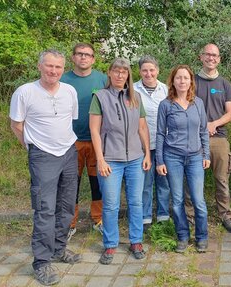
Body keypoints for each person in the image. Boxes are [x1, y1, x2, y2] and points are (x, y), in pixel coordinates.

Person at [10, 49, 81, 286]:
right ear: (40, 66)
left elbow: (67, 121)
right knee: (45, 209)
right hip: (43, 156)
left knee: (67, 206)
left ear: (63, 69)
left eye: (58, 67)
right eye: (49, 66)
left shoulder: (69, 91)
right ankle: (41, 262)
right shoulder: (25, 92)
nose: (54, 71)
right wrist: (34, 148)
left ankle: (59, 249)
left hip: (69, 153)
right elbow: (17, 125)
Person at [89, 58, 151, 265]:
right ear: (109, 73)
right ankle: (110, 244)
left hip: (135, 159)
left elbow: (142, 128)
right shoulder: (100, 97)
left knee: (136, 202)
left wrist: (147, 155)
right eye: (116, 71)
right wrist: (100, 159)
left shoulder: (135, 97)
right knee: (111, 205)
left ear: (128, 75)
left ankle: (136, 241)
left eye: (124, 72)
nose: (120, 75)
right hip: (110, 161)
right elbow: (95, 131)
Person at [156, 65, 210, 253]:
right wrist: (160, 161)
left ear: (191, 81)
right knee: (177, 199)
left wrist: (206, 154)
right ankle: (182, 236)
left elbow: (203, 130)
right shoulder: (165, 105)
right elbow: (160, 134)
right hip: (173, 157)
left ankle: (202, 236)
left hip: (195, 157)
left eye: (185, 78)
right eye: (178, 78)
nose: (182, 81)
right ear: (173, 81)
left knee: (198, 200)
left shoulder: (198, 103)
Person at [61, 43, 107, 241]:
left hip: (97, 141)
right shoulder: (62, 79)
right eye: (80, 54)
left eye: (87, 55)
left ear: (93, 59)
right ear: (73, 57)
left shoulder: (102, 79)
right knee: (71, 183)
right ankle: (69, 223)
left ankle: (98, 219)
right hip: (70, 141)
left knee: (98, 182)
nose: (83, 58)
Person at [195, 43, 231, 233]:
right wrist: (203, 126)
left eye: (215, 55)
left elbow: (230, 113)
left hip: (219, 137)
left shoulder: (224, 83)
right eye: (208, 54)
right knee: (193, 180)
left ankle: (225, 215)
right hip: (194, 138)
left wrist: (213, 124)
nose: (211, 58)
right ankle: (192, 216)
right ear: (201, 57)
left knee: (222, 179)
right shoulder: (192, 82)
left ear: (219, 59)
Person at [133, 55, 170, 231]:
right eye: (145, 70)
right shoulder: (132, 90)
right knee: (145, 184)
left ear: (157, 70)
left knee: (163, 182)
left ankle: (163, 215)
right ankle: (145, 217)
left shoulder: (166, 90)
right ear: (139, 71)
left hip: (164, 144)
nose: (148, 73)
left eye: (152, 70)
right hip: (142, 146)